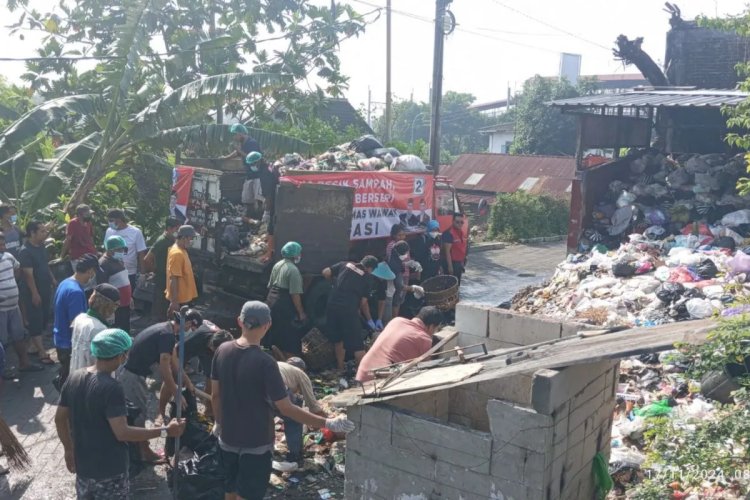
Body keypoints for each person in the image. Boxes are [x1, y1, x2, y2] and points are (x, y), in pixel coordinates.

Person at [211, 301, 354, 500]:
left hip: (227, 438)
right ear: (268, 325)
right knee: (248, 494)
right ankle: (296, 454)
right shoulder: (265, 363)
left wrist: (219, 422)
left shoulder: (222, 351)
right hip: (256, 442)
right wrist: (327, 422)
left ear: (239, 321)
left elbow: (215, 395)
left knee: (230, 490)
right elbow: (286, 408)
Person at [55, 328, 185, 500]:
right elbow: (122, 432)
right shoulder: (111, 387)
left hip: (84, 467)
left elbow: (59, 419)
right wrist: (166, 430)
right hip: (110, 470)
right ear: (120, 356)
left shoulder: (74, 377)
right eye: (125, 354)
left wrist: (68, 449)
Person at [117, 309, 202, 462]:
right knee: (139, 416)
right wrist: (176, 392)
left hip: (134, 374)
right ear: (187, 323)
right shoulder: (167, 336)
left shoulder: (166, 329)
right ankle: (145, 453)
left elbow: (175, 363)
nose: (189, 331)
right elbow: (165, 368)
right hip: (132, 376)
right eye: (190, 328)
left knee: (139, 414)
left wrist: (188, 384)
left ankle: (141, 450)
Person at [158, 326, 233, 417]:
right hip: (192, 348)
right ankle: (161, 412)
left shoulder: (229, 346)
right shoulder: (196, 339)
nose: (211, 350)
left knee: (212, 381)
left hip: (209, 354)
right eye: (211, 347)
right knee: (172, 378)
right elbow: (174, 356)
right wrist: (186, 380)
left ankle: (209, 413)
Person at [356, 306, 443, 383]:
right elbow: (426, 369)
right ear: (431, 326)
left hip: (362, 373)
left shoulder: (396, 320)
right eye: (436, 329)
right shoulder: (424, 339)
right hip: (377, 381)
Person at [321, 256, 378, 371]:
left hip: (332, 307)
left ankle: (340, 368)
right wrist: (369, 319)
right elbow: (363, 302)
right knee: (357, 344)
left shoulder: (344, 264)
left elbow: (326, 272)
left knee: (338, 339)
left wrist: (334, 283)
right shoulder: (367, 278)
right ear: (370, 268)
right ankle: (362, 374)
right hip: (349, 310)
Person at [53, 253, 101, 389]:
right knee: (73, 383)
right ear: (90, 271)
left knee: (67, 376)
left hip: (60, 338)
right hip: (68, 342)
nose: (93, 276)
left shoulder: (65, 282)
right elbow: (78, 325)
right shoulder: (76, 292)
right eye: (94, 272)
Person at [0, 231, 42, 377]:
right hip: (1, 309)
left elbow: (18, 271)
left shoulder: (8, 257)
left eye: (3, 243)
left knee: (19, 336)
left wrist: (11, 285)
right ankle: (2, 370)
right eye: (0, 244)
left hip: (13, 306)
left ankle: (24, 364)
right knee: (2, 341)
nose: (3, 246)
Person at [19, 221, 57, 365]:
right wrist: (35, 293)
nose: (45, 233)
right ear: (32, 233)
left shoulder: (41, 246)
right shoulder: (25, 251)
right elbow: (28, 275)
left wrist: (53, 279)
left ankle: (32, 346)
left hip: (45, 288)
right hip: (33, 291)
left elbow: (45, 265)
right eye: (41, 231)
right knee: (35, 318)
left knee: (44, 317)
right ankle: (42, 352)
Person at [277, 357, 327, 463]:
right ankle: (295, 455)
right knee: (293, 418)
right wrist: (329, 423)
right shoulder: (300, 374)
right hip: (276, 385)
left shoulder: (280, 366)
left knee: (264, 417)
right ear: (302, 369)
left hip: (255, 386)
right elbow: (314, 408)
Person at [264, 241, 306, 358]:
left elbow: (270, 285)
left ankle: (273, 357)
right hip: (283, 303)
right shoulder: (293, 270)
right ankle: (287, 361)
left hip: (271, 300)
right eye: (299, 253)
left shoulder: (277, 265)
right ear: (295, 255)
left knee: (274, 333)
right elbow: (295, 294)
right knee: (288, 336)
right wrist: (301, 312)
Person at [70, 283, 120, 372]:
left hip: (75, 373)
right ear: (107, 305)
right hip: (91, 379)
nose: (115, 310)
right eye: (115, 305)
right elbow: (102, 363)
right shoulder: (99, 329)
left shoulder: (79, 318)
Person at [144, 217, 180, 321]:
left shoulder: (171, 241)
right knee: (159, 309)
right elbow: (147, 259)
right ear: (169, 228)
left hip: (168, 280)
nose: (177, 233)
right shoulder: (162, 241)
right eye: (176, 229)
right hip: (161, 280)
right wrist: (155, 270)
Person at [104, 209, 147, 292]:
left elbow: (141, 254)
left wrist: (142, 274)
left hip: (129, 273)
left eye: (111, 221)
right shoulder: (109, 231)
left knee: (127, 299)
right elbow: (106, 250)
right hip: (112, 272)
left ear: (119, 220)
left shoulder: (135, 232)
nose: (109, 223)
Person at [99, 236, 132, 333]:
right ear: (110, 250)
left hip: (125, 303)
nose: (122, 252)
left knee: (125, 329)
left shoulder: (118, 260)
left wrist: (129, 297)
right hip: (115, 306)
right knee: (116, 331)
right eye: (119, 249)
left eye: (123, 249)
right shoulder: (103, 264)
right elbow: (102, 287)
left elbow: (124, 280)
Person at [387, 241, 424, 320]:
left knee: (397, 302)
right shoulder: (394, 264)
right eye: (405, 253)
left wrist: (408, 264)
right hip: (389, 295)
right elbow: (399, 285)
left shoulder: (395, 257)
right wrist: (414, 288)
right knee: (391, 311)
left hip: (394, 293)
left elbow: (400, 265)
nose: (406, 255)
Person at [166, 225, 198, 316]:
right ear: (184, 238)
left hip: (183, 299)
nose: (191, 241)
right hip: (179, 301)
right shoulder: (177, 254)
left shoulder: (182, 250)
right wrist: (174, 302)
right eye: (191, 238)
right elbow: (174, 279)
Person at [61, 205, 97, 269]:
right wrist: (61, 256)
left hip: (90, 255)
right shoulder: (73, 223)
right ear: (80, 215)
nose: (89, 215)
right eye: (87, 214)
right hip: (78, 257)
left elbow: (91, 239)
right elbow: (68, 239)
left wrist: (95, 252)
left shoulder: (88, 223)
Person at [368, 261, 396, 330]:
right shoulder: (368, 281)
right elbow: (363, 302)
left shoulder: (382, 282)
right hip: (366, 308)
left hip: (375, 308)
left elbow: (382, 301)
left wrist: (379, 319)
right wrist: (369, 319)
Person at [442, 212, 468, 285]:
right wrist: (450, 267)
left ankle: (456, 296)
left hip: (459, 263)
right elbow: (447, 252)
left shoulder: (461, 232)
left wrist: (463, 262)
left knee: (457, 284)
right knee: (450, 286)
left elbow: (462, 248)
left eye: (462, 222)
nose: (460, 224)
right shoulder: (448, 233)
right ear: (453, 221)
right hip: (451, 264)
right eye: (457, 222)